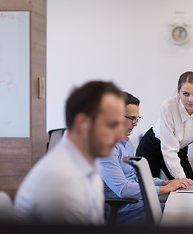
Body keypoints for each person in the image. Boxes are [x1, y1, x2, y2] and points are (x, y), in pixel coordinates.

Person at [14, 80, 126, 225]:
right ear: (82, 124)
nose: (121, 136)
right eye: (112, 125)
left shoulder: (86, 165)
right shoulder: (62, 179)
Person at [97, 91, 193, 225]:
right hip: (124, 212)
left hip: (140, 205)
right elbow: (123, 189)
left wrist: (164, 183)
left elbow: (135, 179)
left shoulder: (125, 142)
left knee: (189, 209)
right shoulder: (106, 149)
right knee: (186, 219)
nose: (135, 124)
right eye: (132, 118)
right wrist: (165, 189)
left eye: (137, 118)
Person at [136, 71, 193, 184]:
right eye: (185, 94)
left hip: (179, 149)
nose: (191, 99)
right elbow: (169, 149)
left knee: (191, 188)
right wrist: (181, 179)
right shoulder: (168, 107)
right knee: (150, 191)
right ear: (178, 92)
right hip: (152, 148)